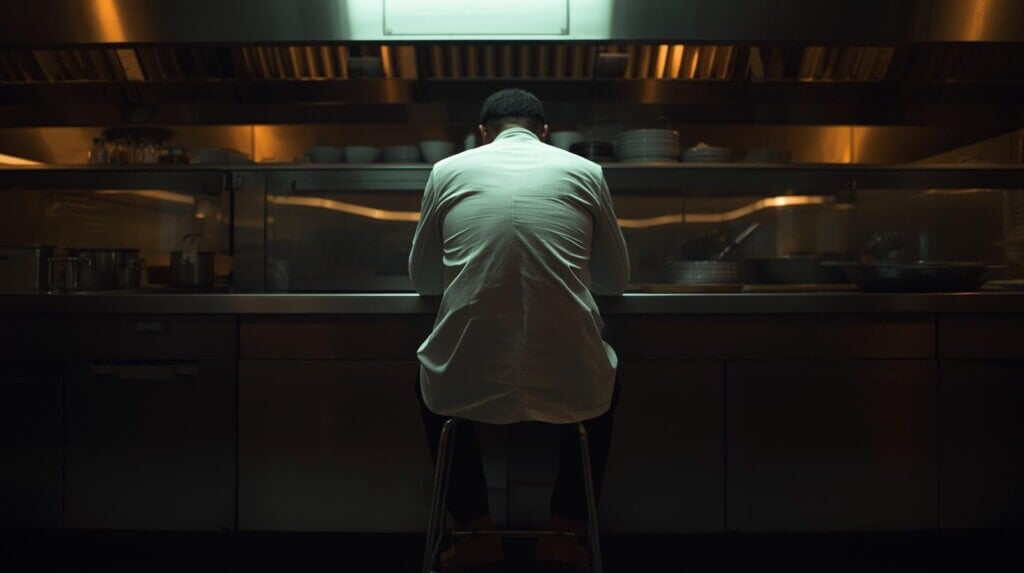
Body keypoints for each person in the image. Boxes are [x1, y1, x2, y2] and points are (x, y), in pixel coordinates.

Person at [409, 88, 630, 570]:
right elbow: (617, 278)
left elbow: (423, 278)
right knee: (605, 387)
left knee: (432, 384)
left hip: (466, 378)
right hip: (571, 377)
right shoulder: (586, 172)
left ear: (483, 133)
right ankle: (565, 535)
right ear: (544, 132)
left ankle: (474, 534)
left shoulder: (446, 170)